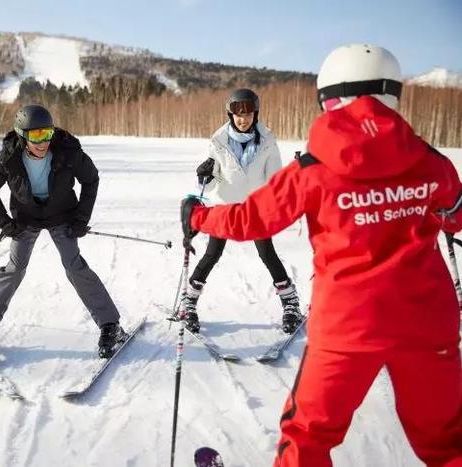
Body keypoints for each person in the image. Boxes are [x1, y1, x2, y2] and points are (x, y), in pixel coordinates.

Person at [181, 44, 462, 466]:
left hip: (348, 327)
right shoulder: (432, 161)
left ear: (331, 100)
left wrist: (199, 217)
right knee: (448, 442)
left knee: (307, 440)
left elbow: (252, 219)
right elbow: (454, 216)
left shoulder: (313, 169)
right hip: (427, 323)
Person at [0, 104, 126, 359]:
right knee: (15, 268)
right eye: (35, 136)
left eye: (47, 133)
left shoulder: (68, 151)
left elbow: (91, 179)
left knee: (74, 265)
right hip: (25, 218)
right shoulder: (8, 157)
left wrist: (81, 218)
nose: (43, 142)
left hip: (62, 215)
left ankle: (111, 325)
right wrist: (4, 222)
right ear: (22, 135)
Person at [180, 88, 302, 334]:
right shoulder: (218, 142)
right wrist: (205, 174)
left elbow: (275, 180)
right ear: (230, 114)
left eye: (248, 113)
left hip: (255, 209)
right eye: (238, 113)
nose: (243, 118)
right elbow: (212, 183)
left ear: (255, 114)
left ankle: (291, 303)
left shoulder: (267, 141)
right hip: (225, 208)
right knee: (212, 254)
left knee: (267, 254)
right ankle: (189, 301)